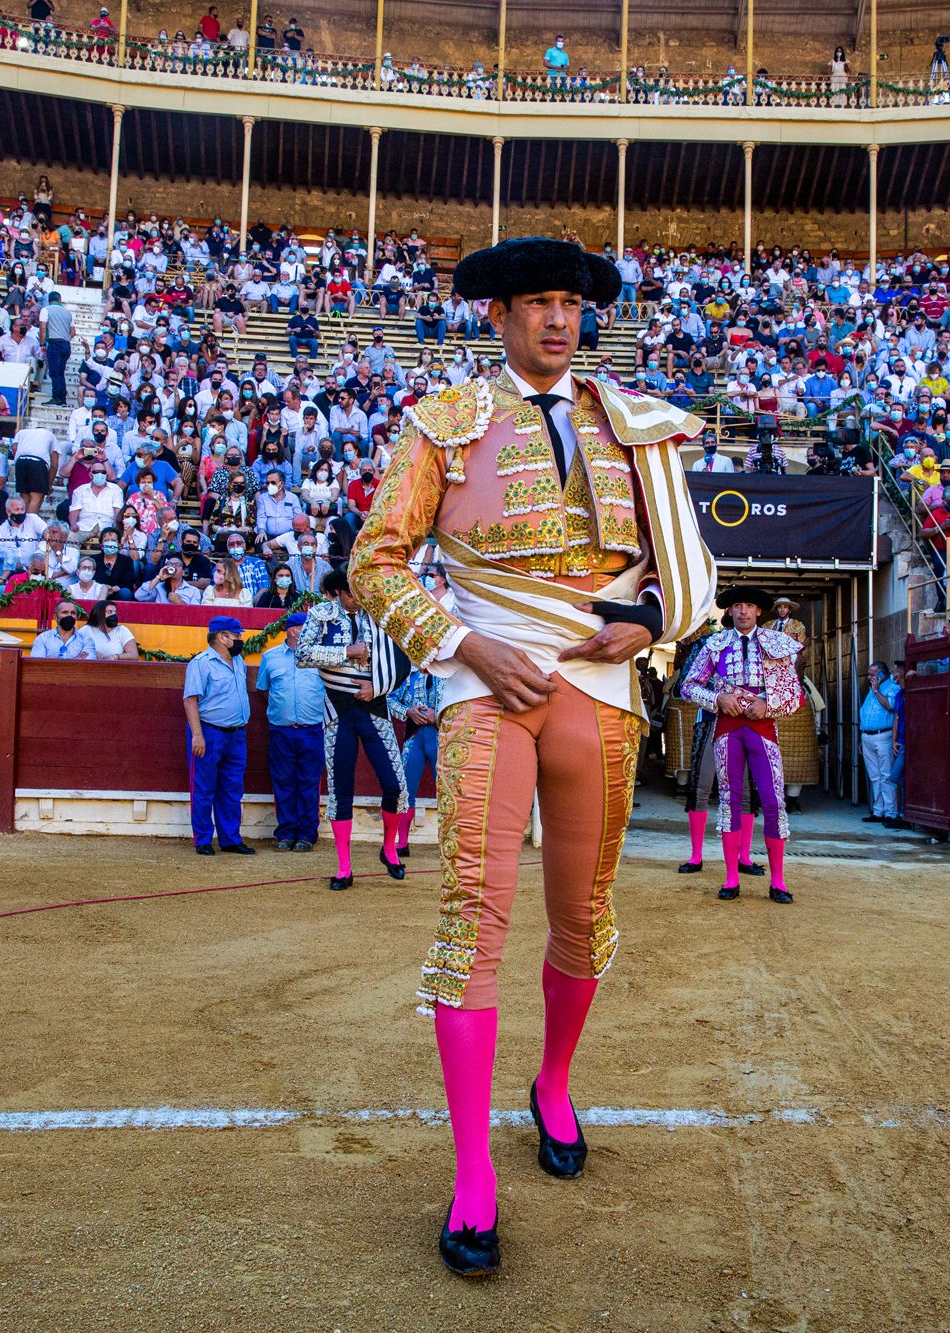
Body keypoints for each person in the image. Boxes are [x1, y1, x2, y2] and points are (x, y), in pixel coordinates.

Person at [347, 237, 716, 1277]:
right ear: (497, 316)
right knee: (472, 915)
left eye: (569, 303)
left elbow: (686, 574)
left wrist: (645, 628)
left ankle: (551, 1082)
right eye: (536, 303)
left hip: (598, 687)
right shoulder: (446, 421)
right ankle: (473, 1175)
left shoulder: (634, 425)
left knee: (580, 911)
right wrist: (462, 642)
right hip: (483, 684)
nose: (557, 319)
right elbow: (372, 560)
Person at [679, 586, 805, 902]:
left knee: (774, 801)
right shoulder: (715, 644)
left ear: (759, 611)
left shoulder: (777, 644)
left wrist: (769, 705)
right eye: (738, 606)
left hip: (762, 727)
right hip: (727, 727)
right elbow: (688, 687)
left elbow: (794, 694)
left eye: (749, 606)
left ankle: (778, 882)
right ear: (731, 611)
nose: (744, 611)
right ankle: (731, 878)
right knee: (729, 799)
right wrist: (717, 698)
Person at [297, 568, 410, 890]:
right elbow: (302, 655)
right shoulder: (321, 615)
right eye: (352, 593)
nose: (359, 599)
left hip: (374, 708)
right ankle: (344, 868)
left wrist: (377, 687)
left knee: (396, 786)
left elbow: (402, 658)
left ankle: (389, 849)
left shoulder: (379, 616)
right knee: (340, 790)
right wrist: (346, 651)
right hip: (338, 711)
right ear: (337, 592)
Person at [182, 615, 254, 856]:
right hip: (209, 732)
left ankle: (230, 839)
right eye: (236, 636)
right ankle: (203, 839)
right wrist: (197, 735)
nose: (240, 640)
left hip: (236, 734)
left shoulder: (239, 661)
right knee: (204, 788)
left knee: (232, 788)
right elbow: (190, 700)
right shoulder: (201, 663)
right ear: (222, 637)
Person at [256, 610, 326, 851]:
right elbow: (264, 690)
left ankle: (307, 834)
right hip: (281, 730)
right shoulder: (271, 657)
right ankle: (285, 833)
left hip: (312, 729)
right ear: (294, 630)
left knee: (309, 783)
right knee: (283, 782)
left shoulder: (320, 656)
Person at [387, 666, 445, 858]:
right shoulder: (410, 675)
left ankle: (448, 843)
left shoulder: (448, 673)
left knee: (447, 793)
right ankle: (402, 843)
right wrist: (408, 711)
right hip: (414, 738)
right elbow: (390, 699)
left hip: (442, 739)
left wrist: (437, 715)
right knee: (406, 790)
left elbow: (460, 706)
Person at [859, 659, 901, 824]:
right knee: (874, 776)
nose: (869, 677)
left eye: (872, 674)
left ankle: (891, 812)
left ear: (882, 674)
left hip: (883, 736)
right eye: (869, 674)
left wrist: (877, 691)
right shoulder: (871, 690)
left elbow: (890, 707)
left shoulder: (892, 688)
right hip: (868, 736)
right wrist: (862, 738)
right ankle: (878, 811)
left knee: (886, 775)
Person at [29, 598, 99, 659]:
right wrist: (76, 659)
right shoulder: (43, 638)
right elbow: (38, 665)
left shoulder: (86, 640)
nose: (69, 615)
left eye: (73, 613)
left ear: (76, 617)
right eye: (64, 612)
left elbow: (86, 666)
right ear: (55, 617)